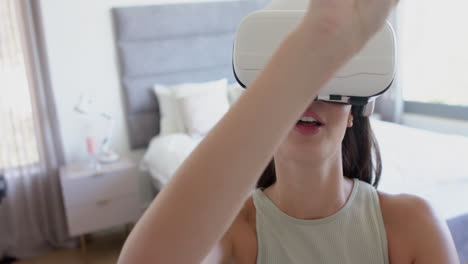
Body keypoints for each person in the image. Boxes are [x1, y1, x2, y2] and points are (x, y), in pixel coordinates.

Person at [117, 0, 459, 263]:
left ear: (354, 113)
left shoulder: (413, 224)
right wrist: (306, 52)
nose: (309, 98)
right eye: (296, 88)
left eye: (330, 82)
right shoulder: (235, 233)